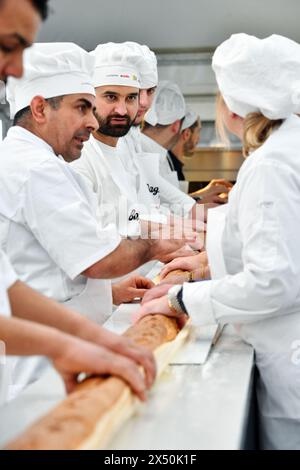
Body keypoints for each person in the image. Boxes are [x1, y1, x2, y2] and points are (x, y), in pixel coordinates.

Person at [134, 33, 300, 449]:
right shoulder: (286, 150)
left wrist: (183, 301)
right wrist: (209, 263)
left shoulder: (273, 164)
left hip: (290, 360)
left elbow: (274, 279)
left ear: (236, 103)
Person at [0, 42, 191, 395]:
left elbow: (27, 277)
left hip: (63, 342)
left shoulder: (36, 161)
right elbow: (98, 259)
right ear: (40, 107)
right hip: (46, 367)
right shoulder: (35, 169)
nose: (93, 120)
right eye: (83, 107)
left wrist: (107, 292)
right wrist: (159, 243)